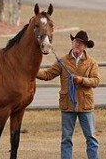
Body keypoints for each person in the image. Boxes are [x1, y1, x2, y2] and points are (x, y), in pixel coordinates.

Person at [37, 30, 100, 159]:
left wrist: (81, 80)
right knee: (66, 139)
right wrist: (32, 70)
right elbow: (47, 75)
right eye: (76, 42)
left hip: (85, 106)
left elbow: (96, 81)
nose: (78, 45)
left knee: (91, 138)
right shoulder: (62, 61)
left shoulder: (91, 62)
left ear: (85, 46)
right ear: (72, 43)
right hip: (68, 105)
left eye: (81, 43)